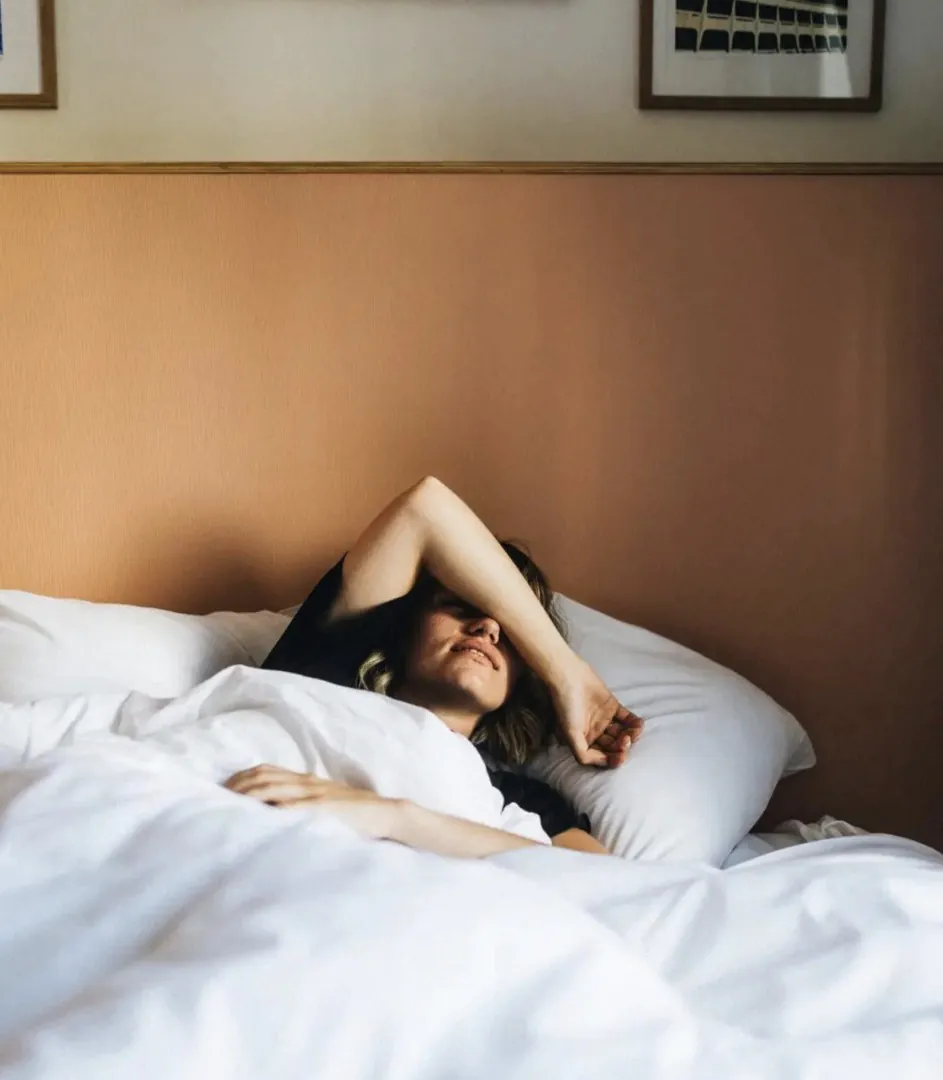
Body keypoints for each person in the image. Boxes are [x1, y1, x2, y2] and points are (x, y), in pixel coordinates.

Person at [224, 477, 644, 858]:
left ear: (522, 677)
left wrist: (398, 818)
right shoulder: (323, 672)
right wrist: (566, 671)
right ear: (407, 625)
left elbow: (605, 885)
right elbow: (424, 510)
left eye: (514, 635)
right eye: (459, 608)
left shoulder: (521, 802)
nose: (487, 629)